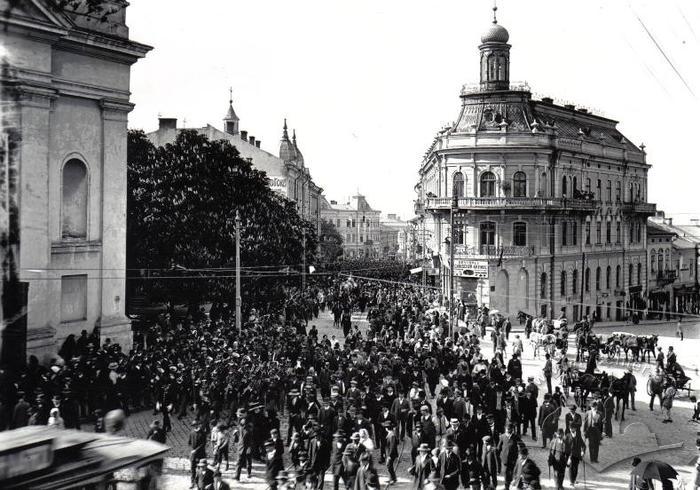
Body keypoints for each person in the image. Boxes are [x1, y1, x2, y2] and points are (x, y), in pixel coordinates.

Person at [497, 423, 522, 490]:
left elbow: (522, 445)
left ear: (512, 430)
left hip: (512, 459)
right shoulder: (502, 436)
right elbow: (499, 447)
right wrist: (497, 455)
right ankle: (506, 486)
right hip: (504, 459)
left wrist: (520, 453)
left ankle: (509, 483)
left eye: (509, 429)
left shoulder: (515, 437)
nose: (507, 430)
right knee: (505, 472)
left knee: (510, 473)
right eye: (506, 429)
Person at [564, 423, 586, 488]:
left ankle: (574, 479)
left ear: (575, 429)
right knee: (571, 468)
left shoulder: (578, 436)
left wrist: (582, 452)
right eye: (570, 428)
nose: (571, 430)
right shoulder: (567, 436)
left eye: (572, 428)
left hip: (577, 455)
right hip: (570, 456)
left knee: (575, 468)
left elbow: (583, 445)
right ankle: (571, 482)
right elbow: (565, 446)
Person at [189, 422, 207, 488]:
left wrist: (195, 450)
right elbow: (189, 442)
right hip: (193, 454)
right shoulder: (191, 432)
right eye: (193, 425)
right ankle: (192, 482)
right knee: (192, 468)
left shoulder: (203, 433)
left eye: (195, 425)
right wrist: (192, 450)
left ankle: (201, 482)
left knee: (201, 469)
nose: (194, 427)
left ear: (198, 425)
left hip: (201, 454)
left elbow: (203, 444)